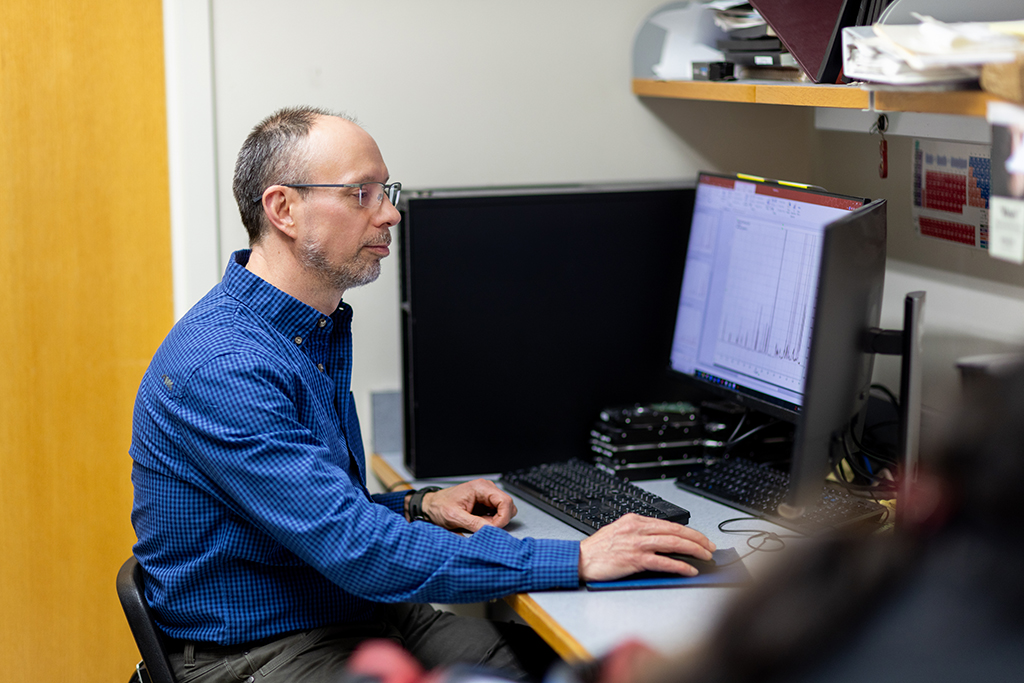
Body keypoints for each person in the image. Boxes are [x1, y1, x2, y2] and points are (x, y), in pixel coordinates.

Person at [129, 105, 716, 683]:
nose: (390, 215)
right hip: (269, 649)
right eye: (361, 194)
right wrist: (580, 558)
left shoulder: (305, 330)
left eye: (386, 190)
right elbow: (354, 547)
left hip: (352, 610)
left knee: (573, 666)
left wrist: (418, 505)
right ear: (283, 208)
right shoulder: (225, 366)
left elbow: (312, 511)